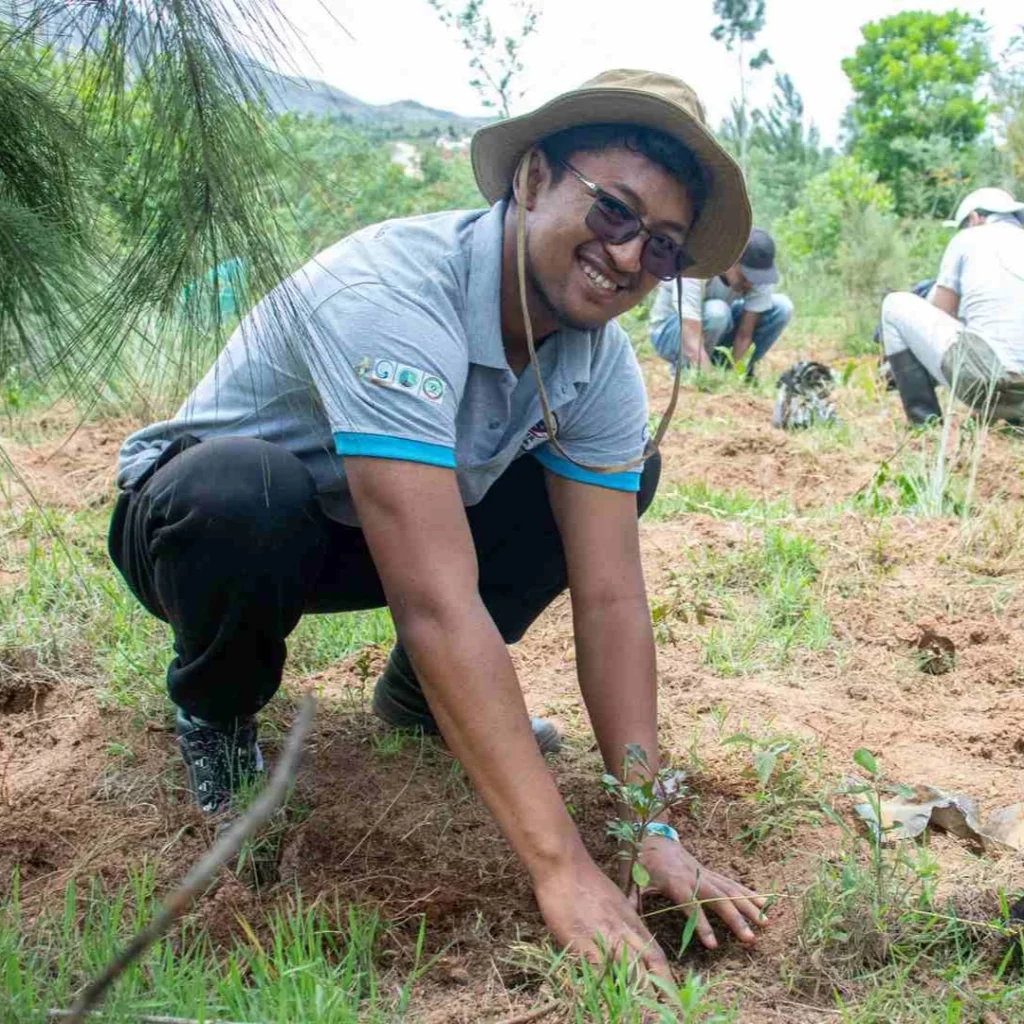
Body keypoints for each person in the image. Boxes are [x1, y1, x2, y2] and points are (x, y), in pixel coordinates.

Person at [107, 69, 768, 974]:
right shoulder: (391, 291)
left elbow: (612, 596)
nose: (624, 258)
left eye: (659, 248)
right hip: (211, 523)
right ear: (533, 177)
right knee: (242, 493)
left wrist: (647, 823)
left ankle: (421, 700)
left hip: (394, 534)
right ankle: (217, 709)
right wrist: (562, 867)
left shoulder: (599, 365)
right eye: (614, 212)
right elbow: (433, 596)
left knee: (615, 477)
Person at [881, 187, 1024, 425]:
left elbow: (942, 312)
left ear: (974, 218)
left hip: (988, 382)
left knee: (893, 304)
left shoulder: (968, 238)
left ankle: (925, 422)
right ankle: (1007, 413)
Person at [648, 227, 793, 378]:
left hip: (717, 327)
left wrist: (734, 375)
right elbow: (690, 330)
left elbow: (745, 334)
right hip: (671, 331)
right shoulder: (697, 263)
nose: (750, 284)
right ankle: (687, 370)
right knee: (717, 312)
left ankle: (727, 368)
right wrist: (710, 381)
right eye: (746, 276)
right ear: (731, 260)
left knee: (782, 307)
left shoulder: (758, 275)